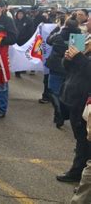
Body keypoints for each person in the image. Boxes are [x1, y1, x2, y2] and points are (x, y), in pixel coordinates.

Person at [57, 35, 91, 183]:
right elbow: (69, 68)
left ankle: (78, 172)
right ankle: (81, 171)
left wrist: (78, 58)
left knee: (84, 139)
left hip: (86, 101)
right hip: (76, 97)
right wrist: (68, 59)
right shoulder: (86, 42)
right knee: (81, 138)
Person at [45, 16, 80, 129]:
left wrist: (57, 29)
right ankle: (63, 113)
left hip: (56, 67)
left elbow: (48, 40)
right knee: (66, 92)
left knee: (54, 91)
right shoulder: (80, 38)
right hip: (71, 69)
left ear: (66, 24)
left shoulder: (59, 35)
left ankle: (59, 112)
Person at [14, 9, 35, 78]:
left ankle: (22, 69)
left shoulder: (28, 21)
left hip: (24, 42)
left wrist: (25, 38)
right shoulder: (14, 21)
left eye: (21, 14)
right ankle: (17, 71)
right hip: (16, 42)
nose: (20, 15)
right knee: (17, 57)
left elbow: (30, 32)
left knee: (23, 57)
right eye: (18, 14)